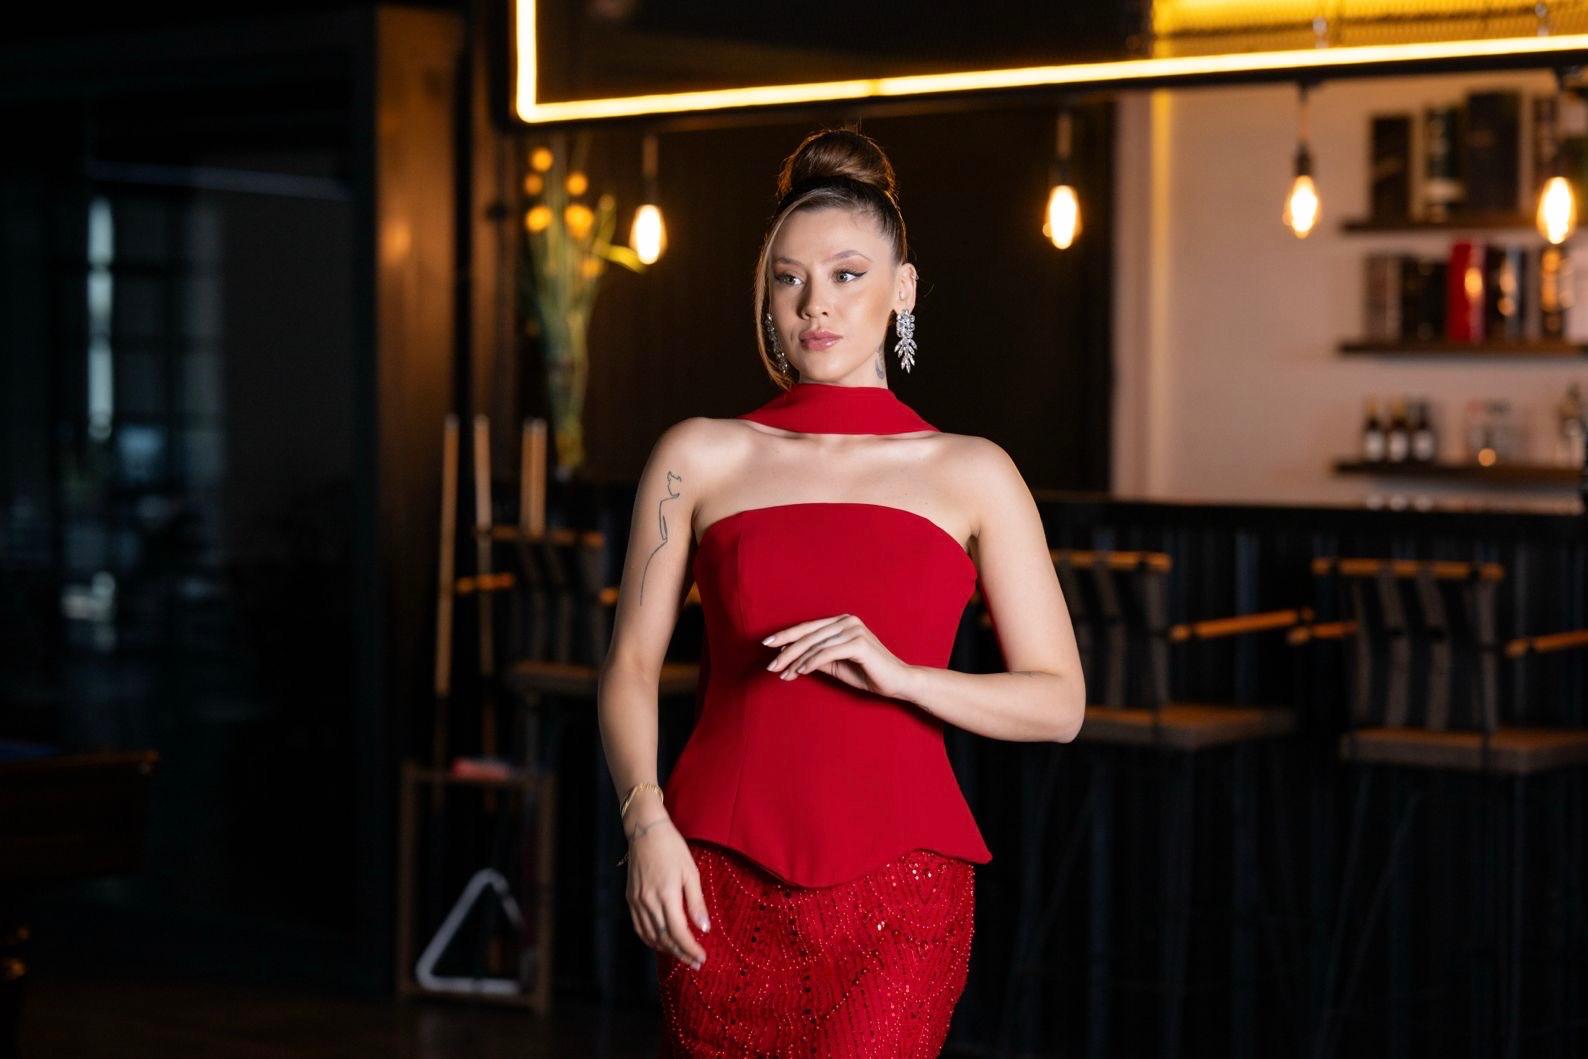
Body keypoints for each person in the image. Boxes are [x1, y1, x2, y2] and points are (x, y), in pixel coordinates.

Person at [596, 127, 1084, 1057]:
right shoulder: (698, 455)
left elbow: (1060, 703)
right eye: (789, 279)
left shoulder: (973, 471)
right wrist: (645, 820)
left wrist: (902, 676)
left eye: (847, 275)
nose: (814, 303)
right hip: (713, 877)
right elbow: (628, 668)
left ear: (903, 289)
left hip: (900, 895)